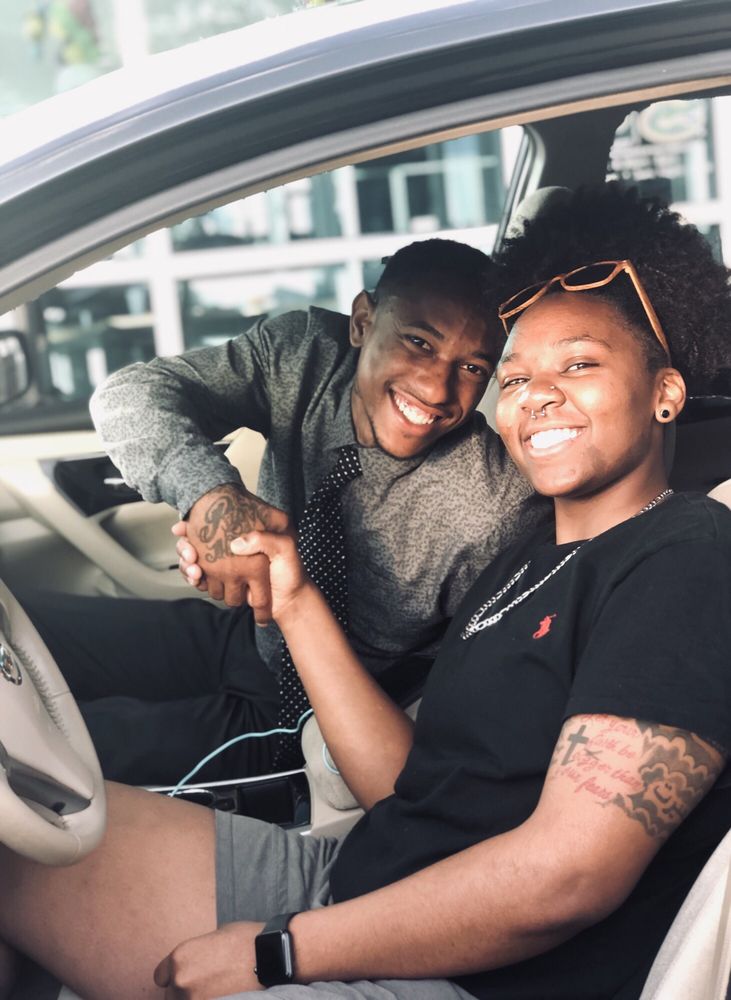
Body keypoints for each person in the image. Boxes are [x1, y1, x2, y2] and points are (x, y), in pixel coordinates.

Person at [2, 183, 730, 1000]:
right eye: (517, 376)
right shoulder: (530, 560)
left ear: (666, 393)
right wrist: (289, 591)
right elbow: (409, 787)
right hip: (359, 877)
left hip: (459, 969)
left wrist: (280, 951)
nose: (536, 396)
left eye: (579, 365)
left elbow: (567, 878)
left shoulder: (685, 558)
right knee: (15, 830)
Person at [22, 238, 544, 786]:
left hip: (307, 718)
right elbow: (131, 394)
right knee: (21, 629)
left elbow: (471, 700)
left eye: (472, 367)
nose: (437, 388)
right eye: (418, 342)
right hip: (248, 636)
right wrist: (210, 496)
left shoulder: (495, 507)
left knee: (50, 744)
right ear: (362, 322)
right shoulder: (305, 355)